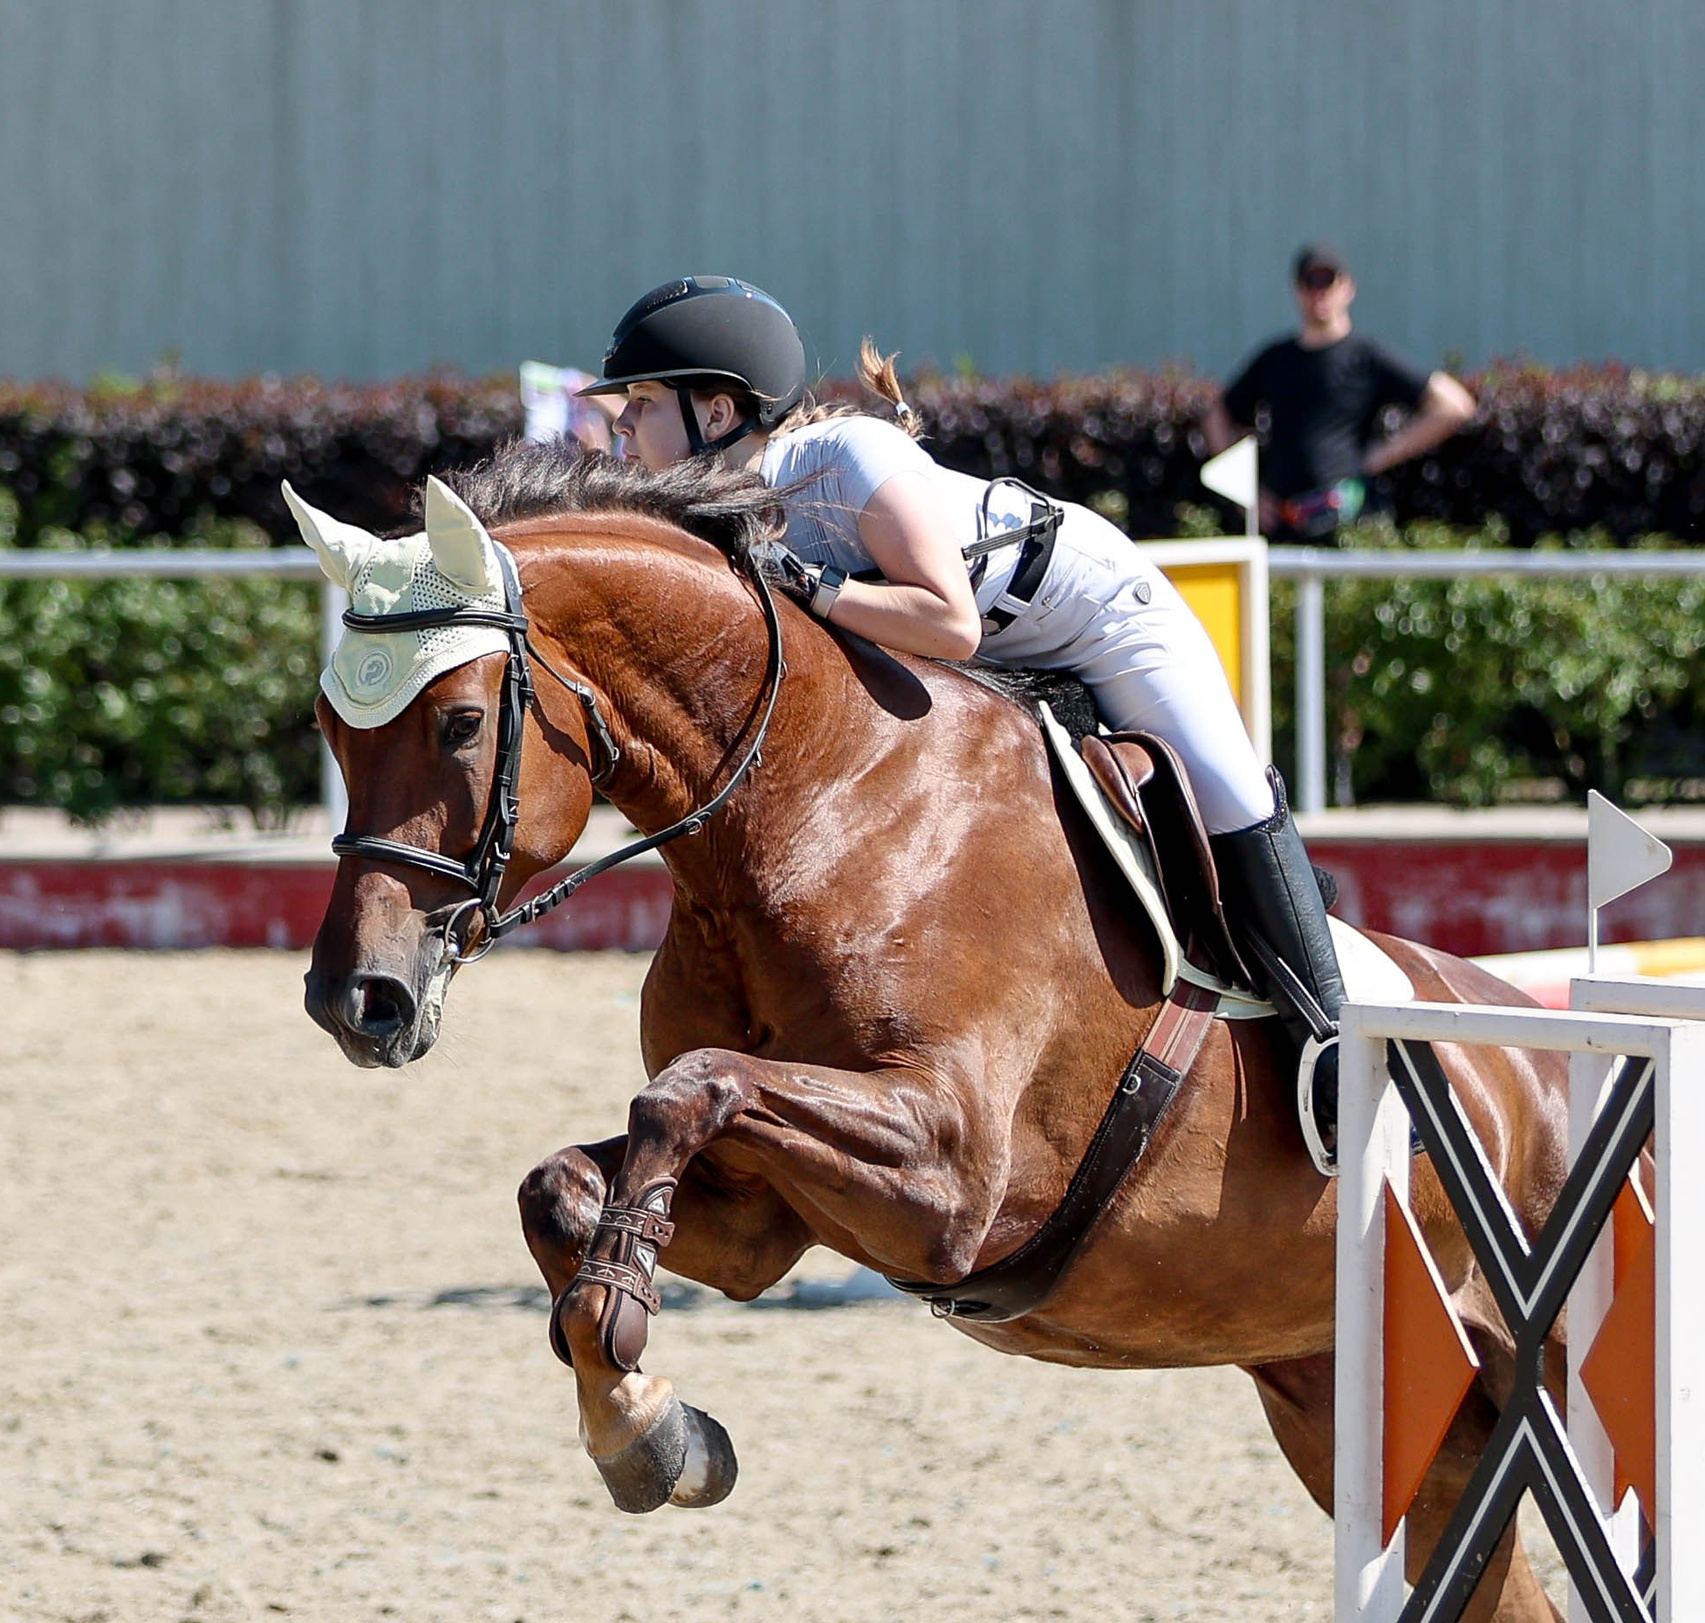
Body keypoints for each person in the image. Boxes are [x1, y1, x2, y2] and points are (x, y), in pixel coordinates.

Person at [580, 275, 1347, 1151]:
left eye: (638, 404)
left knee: (1228, 797)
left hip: (1100, 621)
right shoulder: (717, 513)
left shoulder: (844, 456)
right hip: (994, 658)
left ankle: (1335, 1048)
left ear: (716, 413)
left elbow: (946, 618)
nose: (621, 429)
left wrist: (814, 589)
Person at [1203, 244, 1475, 542]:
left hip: (1349, 526)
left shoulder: (1367, 357)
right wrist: (1246, 494)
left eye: (1328, 282)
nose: (1320, 293)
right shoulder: (1274, 359)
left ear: (1347, 288)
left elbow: (1454, 406)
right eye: (1311, 283)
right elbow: (1217, 415)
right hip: (1282, 525)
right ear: (1297, 290)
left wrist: (1382, 456)